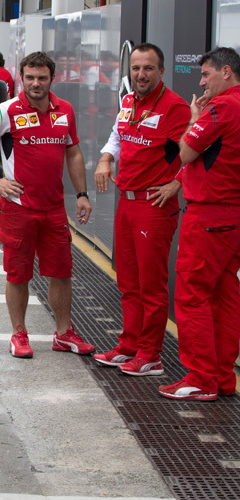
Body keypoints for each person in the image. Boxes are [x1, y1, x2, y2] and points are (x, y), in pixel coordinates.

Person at [0, 51, 95, 358]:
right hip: (18, 208)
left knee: (61, 272)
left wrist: (81, 194)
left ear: (52, 78)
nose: (36, 84)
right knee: (18, 274)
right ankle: (19, 334)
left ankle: (63, 334)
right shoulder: (6, 110)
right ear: (21, 78)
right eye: (30, 78)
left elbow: (74, 153)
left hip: (54, 210)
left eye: (42, 78)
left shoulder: (64, 110)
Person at [93, 43, 189, 376]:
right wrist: (105, 159)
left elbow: (195, 152)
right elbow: (117, 137)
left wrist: (177, 184)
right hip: (126, 203)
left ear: (161, 71)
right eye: (136, 68)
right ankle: (129, 345)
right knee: (128, 282)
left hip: (154, 206)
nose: (141, 74)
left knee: (151, 285)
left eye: (148, 68)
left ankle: (151, 354)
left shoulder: (175, 107)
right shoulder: (129, 101)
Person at [158, 47, 240, 401]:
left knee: (192, 295)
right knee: (224, 296)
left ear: (225, 71)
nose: (202, 83)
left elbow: (187, 152)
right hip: (230, 214)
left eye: (206, 75)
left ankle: (201, 378)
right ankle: (221, 377)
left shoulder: (221, 108)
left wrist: (194, 118)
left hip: (208, 213)